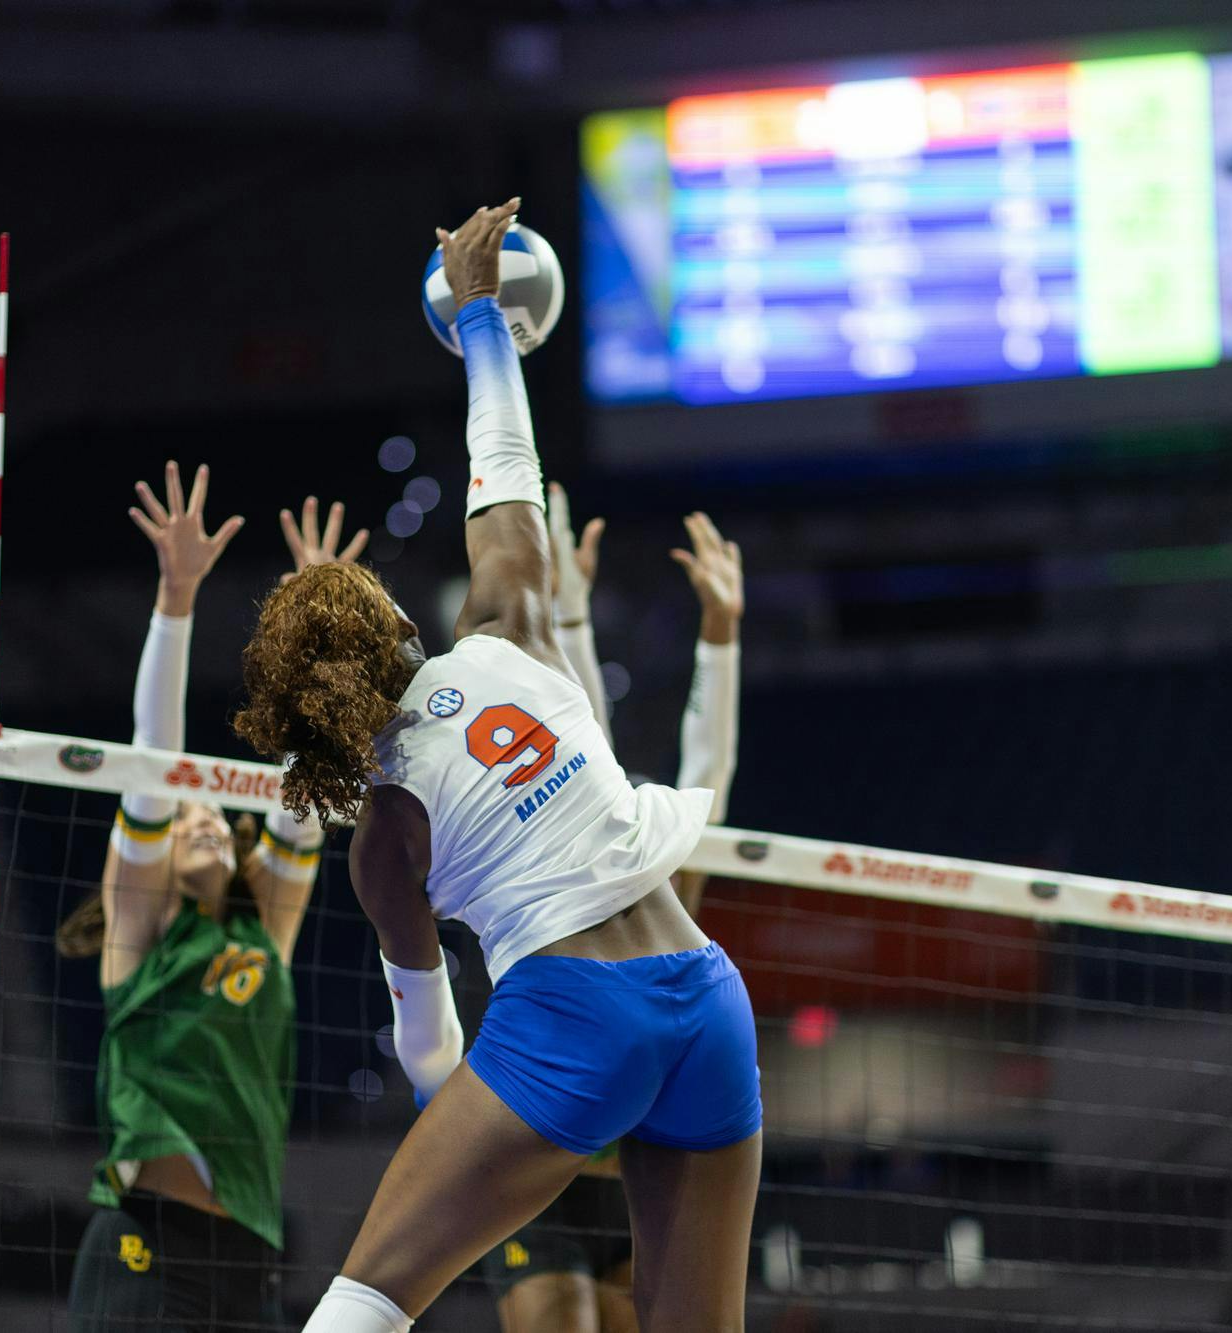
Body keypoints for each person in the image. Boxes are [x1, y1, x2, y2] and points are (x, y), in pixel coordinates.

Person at [234, 198, 762, 1333]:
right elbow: (503, 458)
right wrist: (480, 318)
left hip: (570, 1024)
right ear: (384, 619)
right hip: (708, 998)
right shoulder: (508, 620)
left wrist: (487, 1130)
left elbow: (429, 1051)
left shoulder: (383, 840)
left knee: (365, 1300)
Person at [59, 466, 366, 1331]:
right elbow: (155, 761)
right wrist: (177, 595)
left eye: (216, 811)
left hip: (251, 1252)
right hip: (146, 1243)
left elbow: (311, 785)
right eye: (185, 810)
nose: (199, 815)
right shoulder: (143, 929)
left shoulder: (268, 926)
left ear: (235, 841)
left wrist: (317, 620)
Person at [485, 486, 745, 1333]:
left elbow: (708, 771)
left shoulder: (671, 897)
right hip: (536, 1169)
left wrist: (721, 637)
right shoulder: (553, 872)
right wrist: (566, 613)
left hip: (631, 1179)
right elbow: (577, 730)